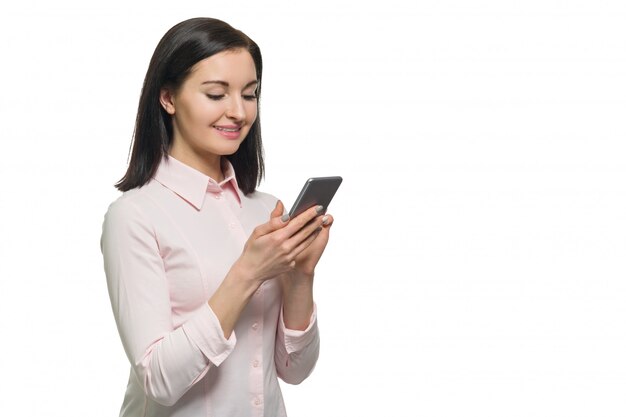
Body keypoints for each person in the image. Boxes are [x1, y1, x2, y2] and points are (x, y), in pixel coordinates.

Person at [100, 17, 334, 417]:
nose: (238, 112)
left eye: (250, 94)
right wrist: (248, 272)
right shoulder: (135, 216)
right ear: (168, 98)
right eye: (216, 94)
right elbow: (158, 380)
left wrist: (301, 276)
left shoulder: (264, 210)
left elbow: (295, 370)